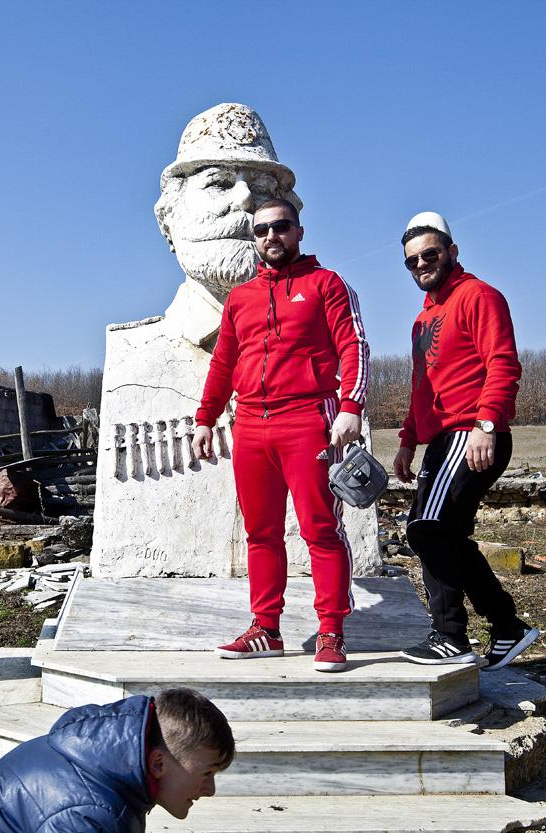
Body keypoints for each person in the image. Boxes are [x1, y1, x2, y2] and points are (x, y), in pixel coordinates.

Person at [192, 197, 369, 673]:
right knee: (260, 533)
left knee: (321, 529)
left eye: (282, 226)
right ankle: (266, 630)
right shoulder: (240, 298)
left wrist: (350, 406)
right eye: (262, 230)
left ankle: (331, 631)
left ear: (299, 231)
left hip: (308, 421)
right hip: (251, 425)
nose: (272, 235)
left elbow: (354, 345)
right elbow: (224, 362)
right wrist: (205, 418)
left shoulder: (326, 284)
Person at [391, 212, 536, 671]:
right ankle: (507, 626)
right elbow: (422, 387)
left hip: (470, 432)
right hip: (440, 439)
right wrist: (408, 441)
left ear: (452, 252)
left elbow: (503, 364)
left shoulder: (479, 296)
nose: (421, 265)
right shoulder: (422, 319)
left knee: (425, 528)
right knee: (445, 533)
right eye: (412, 261)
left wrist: (486, 424)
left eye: (430, 254)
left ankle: (450, 637)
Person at [0, 688, 234, 833]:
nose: (210, 790)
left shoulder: (99, 770)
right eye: (207, 773)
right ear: (158, 764)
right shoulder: (89, 813)